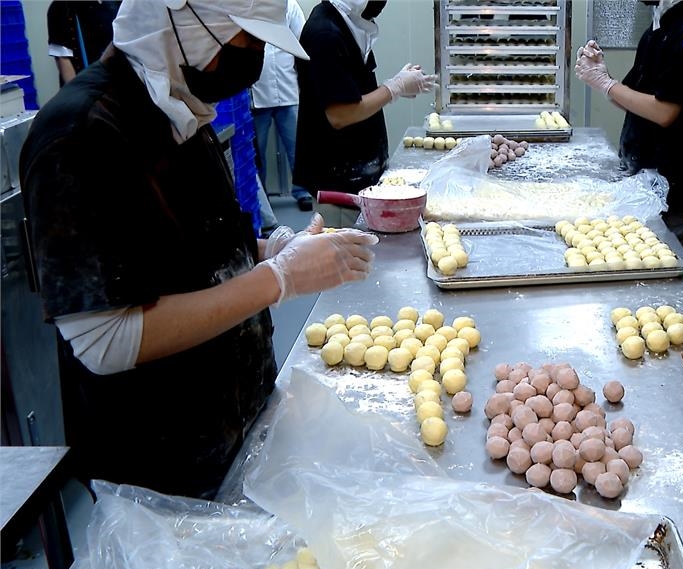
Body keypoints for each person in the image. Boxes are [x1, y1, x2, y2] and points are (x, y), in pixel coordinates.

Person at [19, 0, 379, 501]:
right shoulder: (82, 135)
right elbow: (103, 341)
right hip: (161, 471)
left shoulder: (176, 105)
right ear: (184, 22)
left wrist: (273, 247)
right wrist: (278, 279)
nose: (254, 56)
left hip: (234, 429)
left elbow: (195, 249)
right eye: (247, 39)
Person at [575, 0, 683, 265]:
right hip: (643, 176)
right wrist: (601, 76)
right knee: (637, 258)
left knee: (669, 265)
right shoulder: (657, 27)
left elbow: (665, 112)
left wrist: (606, 84)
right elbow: (631, 97)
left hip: (671, 181)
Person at [293, 0, 437, 228]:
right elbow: (341, 114)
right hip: (340, 186)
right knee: (346, 256)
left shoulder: (347, 24)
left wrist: (395, 86)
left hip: (359, 177)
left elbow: (351, 91)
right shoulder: (324, 34)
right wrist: (394, 88)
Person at [251, 0, 314, 212]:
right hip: (256, 92)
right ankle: (262, 200)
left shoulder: (290, 6)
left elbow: (303, 43)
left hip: (289, 89)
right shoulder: (246, 5)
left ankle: (302, 191)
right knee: (256, 152)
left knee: (298, 147)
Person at [46, 0, 122, 87]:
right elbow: (62, 58)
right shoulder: (61, 6)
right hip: (84, 86)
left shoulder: (113, 4)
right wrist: (76, 95)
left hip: (113, 83)